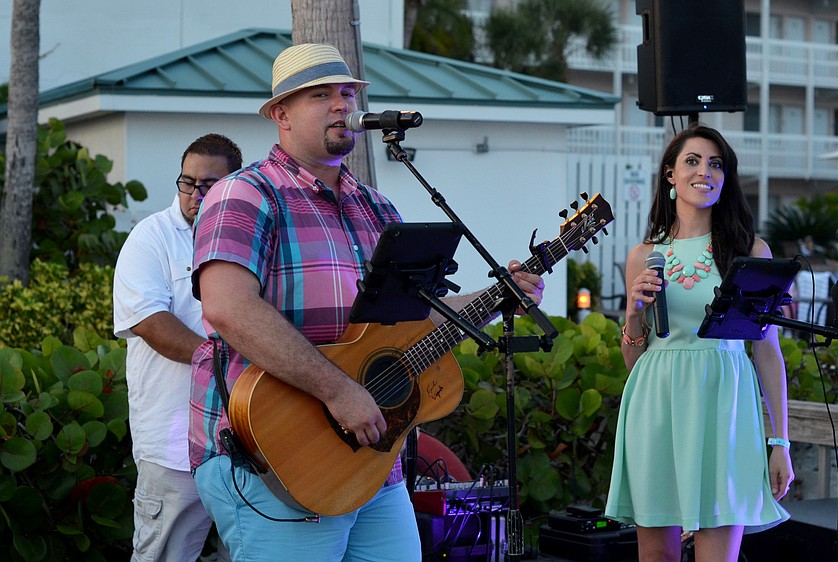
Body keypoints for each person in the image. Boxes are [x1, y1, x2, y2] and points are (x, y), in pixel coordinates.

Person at [188, 43, 544, 561]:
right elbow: (228, 308)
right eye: (321, 95)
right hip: (273, 453)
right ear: (280, 115)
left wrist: (497, 296)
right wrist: (338, 391)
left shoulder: (376, 206)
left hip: (372, 459)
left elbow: (411, 320)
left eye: (348, 92)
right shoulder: (244, 194)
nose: (342, 104)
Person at [604, 124, 794, 562]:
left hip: (723, 407)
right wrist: (633, 313)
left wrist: (780, 442)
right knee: (656, 557)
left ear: (725, 178)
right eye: (692, 161)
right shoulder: (643, 254)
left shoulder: (750, 251)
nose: (703, 171)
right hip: (655, 404)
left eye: (715, 164)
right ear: (670, 175)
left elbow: (767, 350)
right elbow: (636, 359)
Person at [113, 133, 242, 562]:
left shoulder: (253, 236)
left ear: (235, 183)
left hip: (250, 438)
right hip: (172, 445)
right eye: (187, 182)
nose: (194, 194)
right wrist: (227, 363)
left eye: (208, 185)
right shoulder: (150, 237)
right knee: (165, 557)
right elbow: (151, 324)